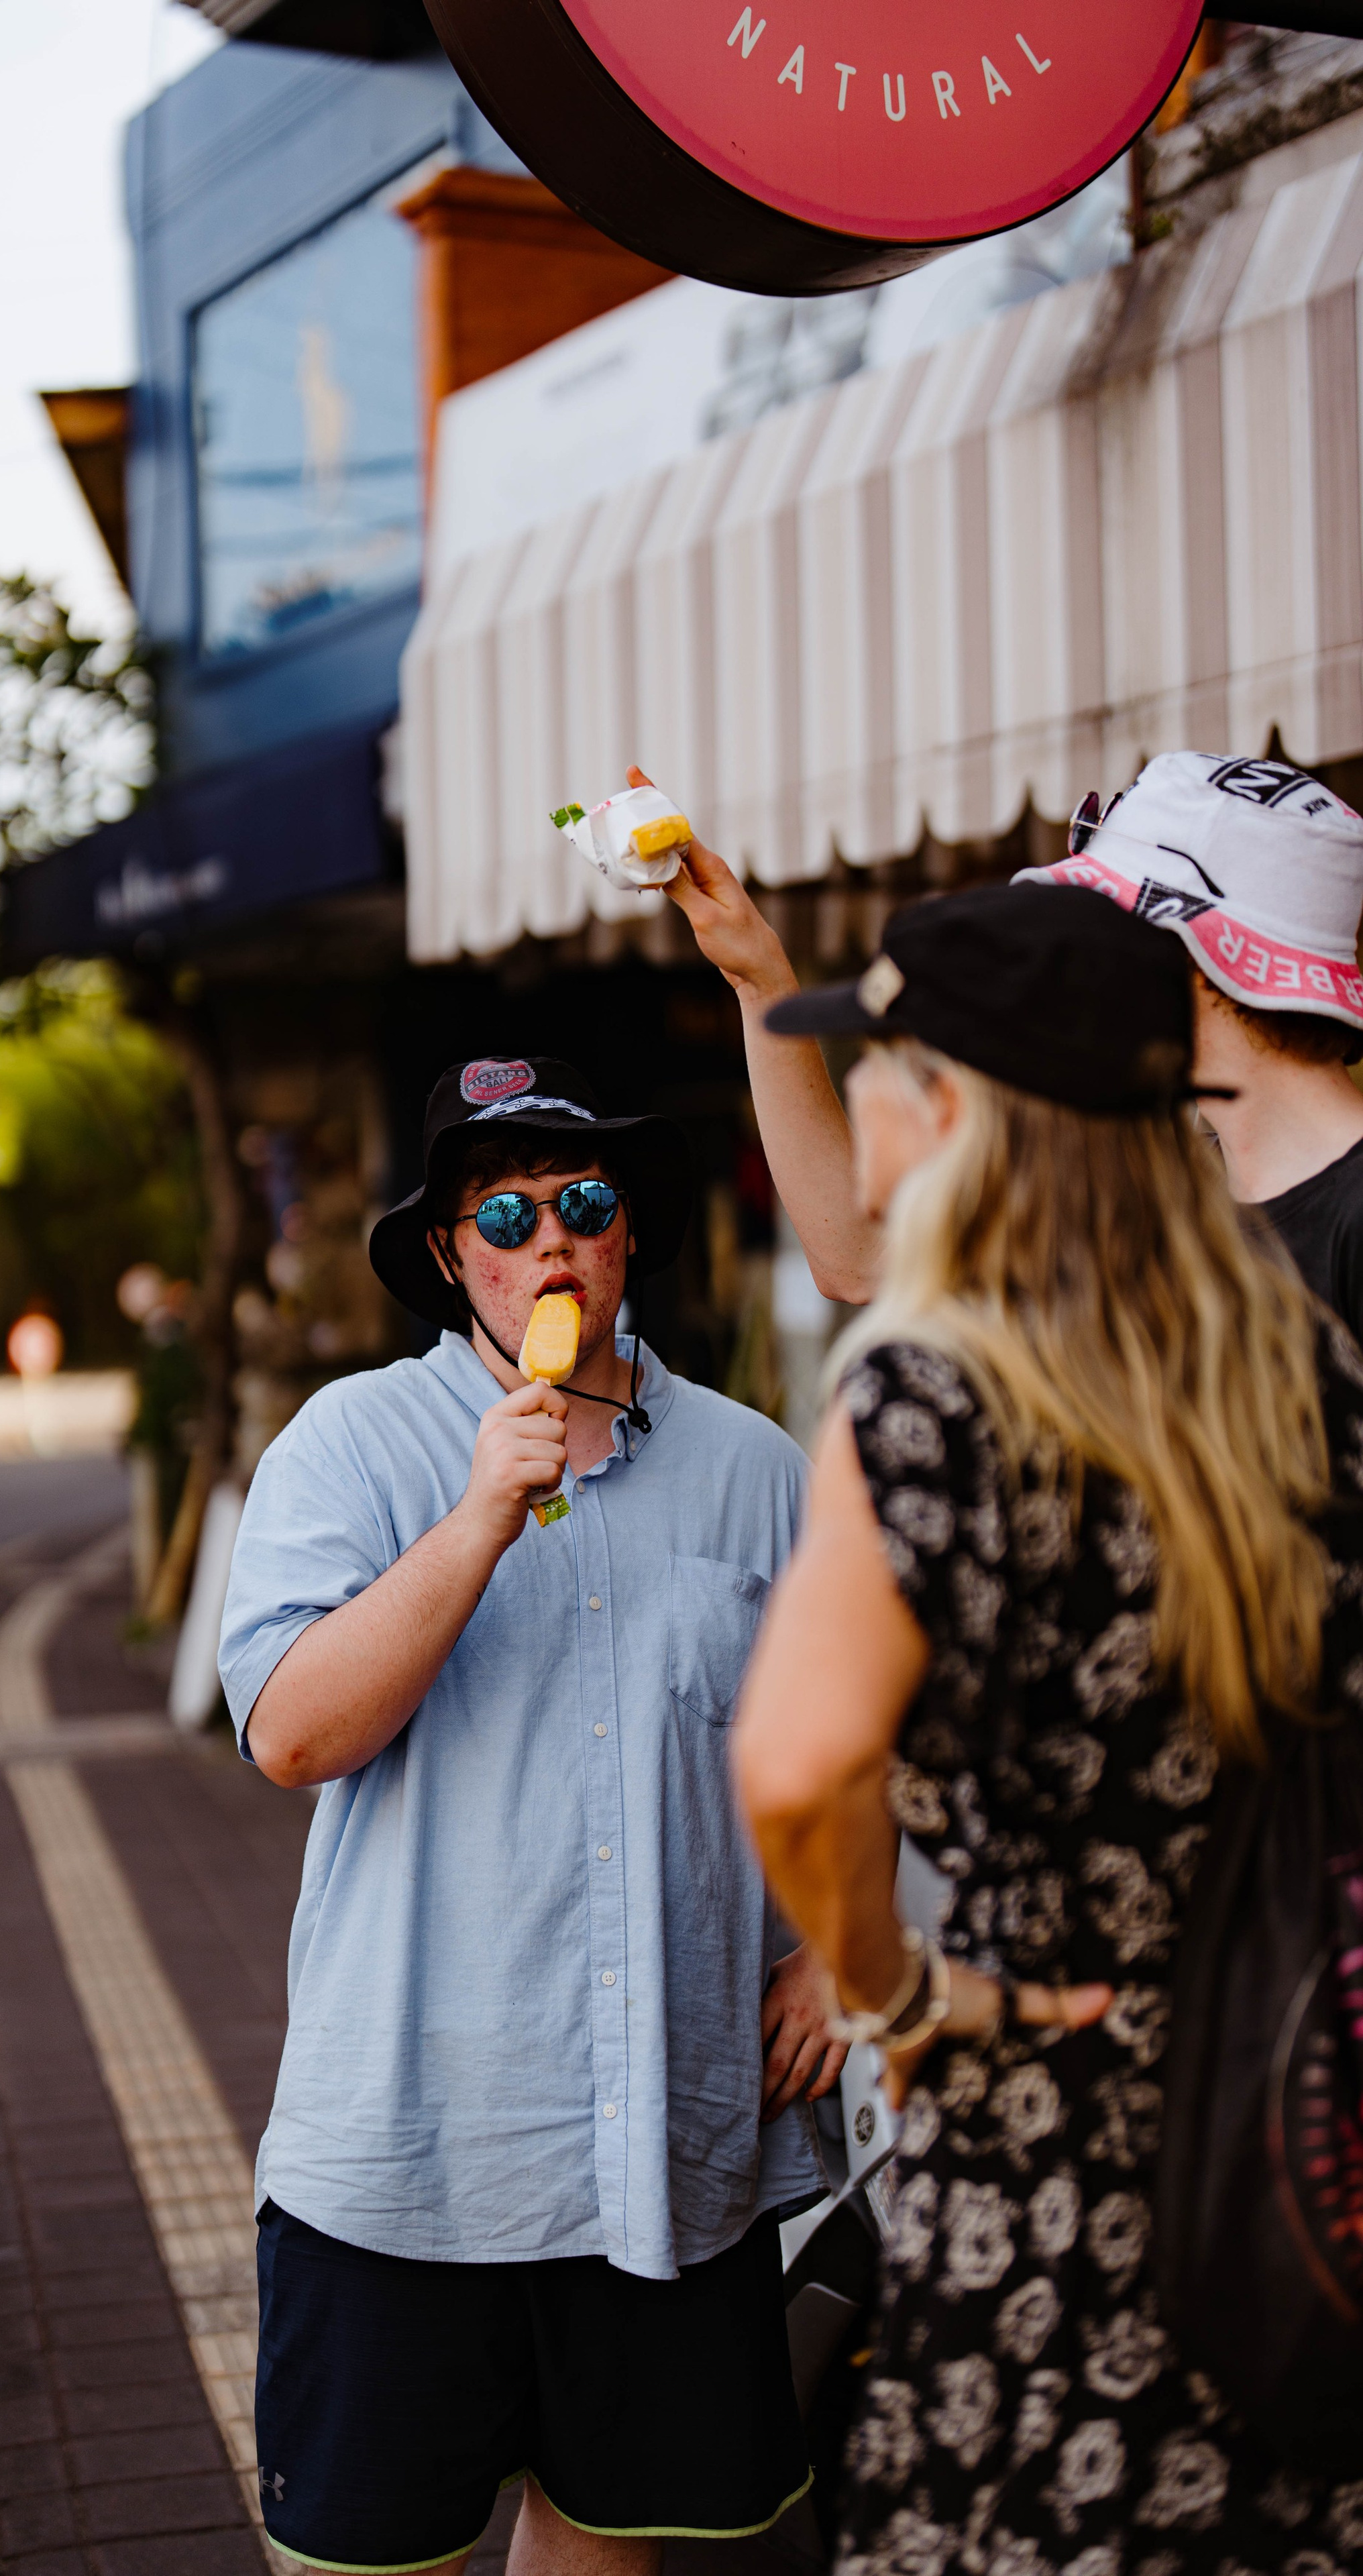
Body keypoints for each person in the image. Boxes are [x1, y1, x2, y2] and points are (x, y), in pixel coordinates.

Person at [731, 881, 1363, 2573]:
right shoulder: (1291, 1369)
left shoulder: (932, 1393)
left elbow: (793, 1763)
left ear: (946, 1109)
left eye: (865, 1060)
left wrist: (883, 1985)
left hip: (1046, 2144)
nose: (847, 1093)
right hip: (1296, 2133)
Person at [218, 1053, 839, 2576]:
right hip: (410, 2155)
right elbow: (292, 1732)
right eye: (502, 1210)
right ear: (448, 1254)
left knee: (605, 2554)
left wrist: (833, 1944)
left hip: (664, 2158)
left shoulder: (755, 1470)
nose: (547, 1239)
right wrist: (482, 1513)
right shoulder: (349, 1446)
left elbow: (841, 1744)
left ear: (626, 1233)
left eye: (582, 1202)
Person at [653, 753, 1363, 1338]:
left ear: (1191, 947)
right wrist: (758, 981)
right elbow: (859, 1261)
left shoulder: (1336, 1218)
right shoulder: (1172, 1177)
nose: (1074, 958)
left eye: (1096, 922)